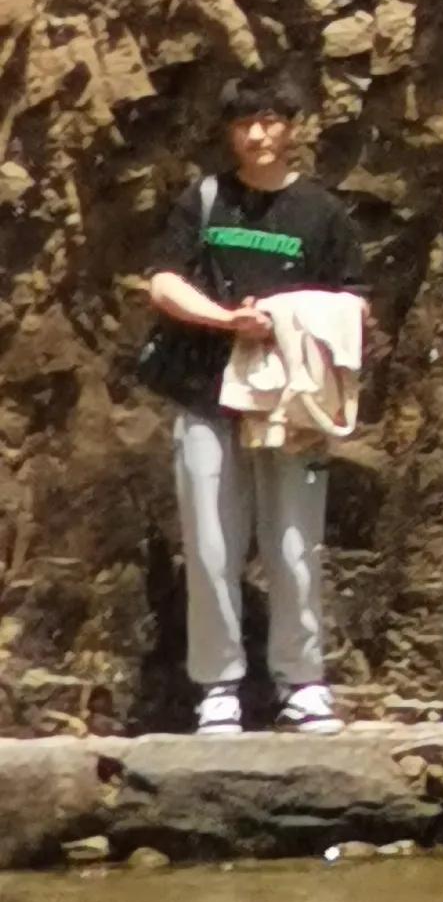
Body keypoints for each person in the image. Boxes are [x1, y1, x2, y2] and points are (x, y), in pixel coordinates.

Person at [139, 67, 366, 735]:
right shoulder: (205, 201)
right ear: (230, 132)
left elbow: (354, 302)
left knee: (296, 540)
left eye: (270, 122)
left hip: (290, 403)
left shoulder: (323, 214)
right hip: (207, 394)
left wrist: (291, 319)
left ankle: (303, 681)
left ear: (293, 130)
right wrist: (224, 320)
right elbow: (162, 284)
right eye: (244, 124)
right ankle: (218, 687)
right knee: (211, 543)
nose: (258, 135)